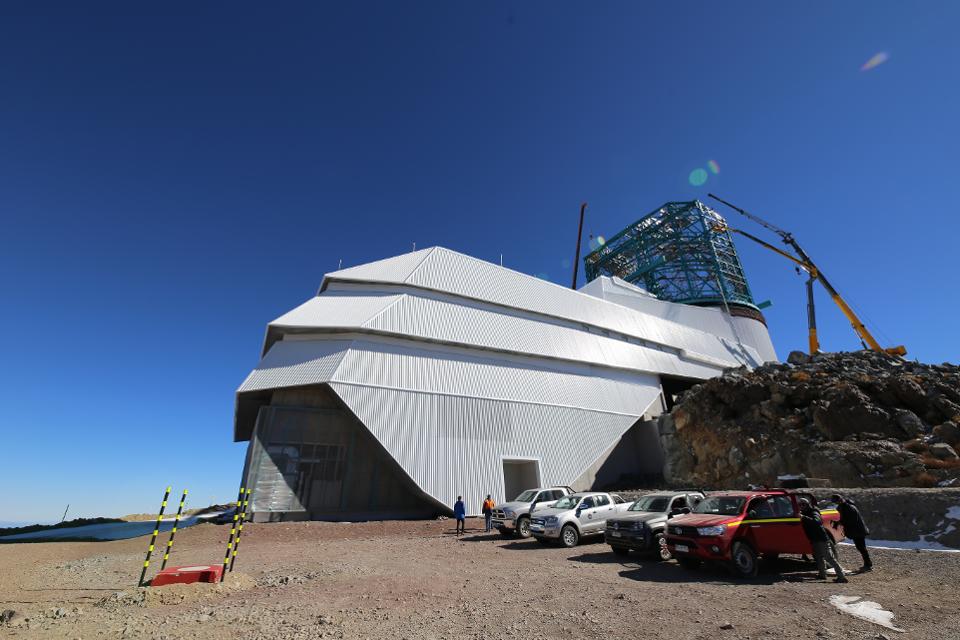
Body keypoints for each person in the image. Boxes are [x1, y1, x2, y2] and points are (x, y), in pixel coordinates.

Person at [799, 498, 847, 583]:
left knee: (829, 558)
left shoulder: (814, 512)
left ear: (807, 505)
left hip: (822, 539)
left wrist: (803, 517)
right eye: (800, 505)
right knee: (818, 558)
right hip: (814, 539)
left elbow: (816, 521)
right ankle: (822, 574)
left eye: (803, 504)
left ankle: (841, 577)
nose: (801, 506)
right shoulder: (805, 513)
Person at [831, 493, 872, 572]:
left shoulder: (849, 508)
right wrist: (838, 522)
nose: (836, 504)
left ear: (839, 500)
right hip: (856, 530)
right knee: (860, 547)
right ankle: (868, 564)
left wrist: (839, 523)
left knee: (861, 547)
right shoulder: (844, 506)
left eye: (836, 502)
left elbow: (851, 520)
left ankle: (868, 565)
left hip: (858, 530)